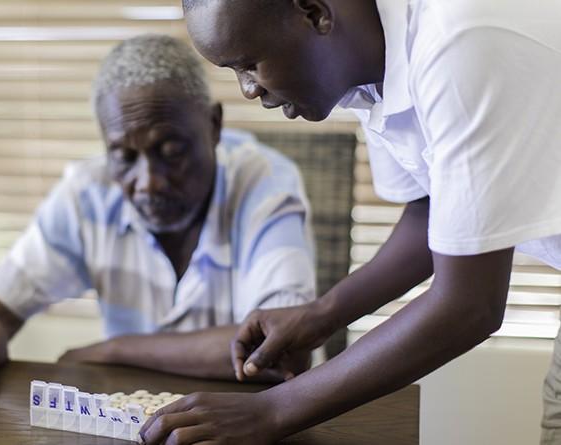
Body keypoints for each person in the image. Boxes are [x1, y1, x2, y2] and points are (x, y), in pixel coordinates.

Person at [138, 1, 561, 444]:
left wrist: (271, 410)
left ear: (314, 12)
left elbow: (469, 306)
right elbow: (433, 211)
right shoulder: (363, 65)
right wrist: (322, 314)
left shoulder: (456, 45)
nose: (248, 90)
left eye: (249, 64)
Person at [0, 34, 316, 431]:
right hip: (128, 427)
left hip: (242, 428)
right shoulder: (87, 191)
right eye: (124, 156)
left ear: (213, 125)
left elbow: (282, 350)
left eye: (171, 151)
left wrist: (113, 349)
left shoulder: (265, 183)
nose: (148, 182)